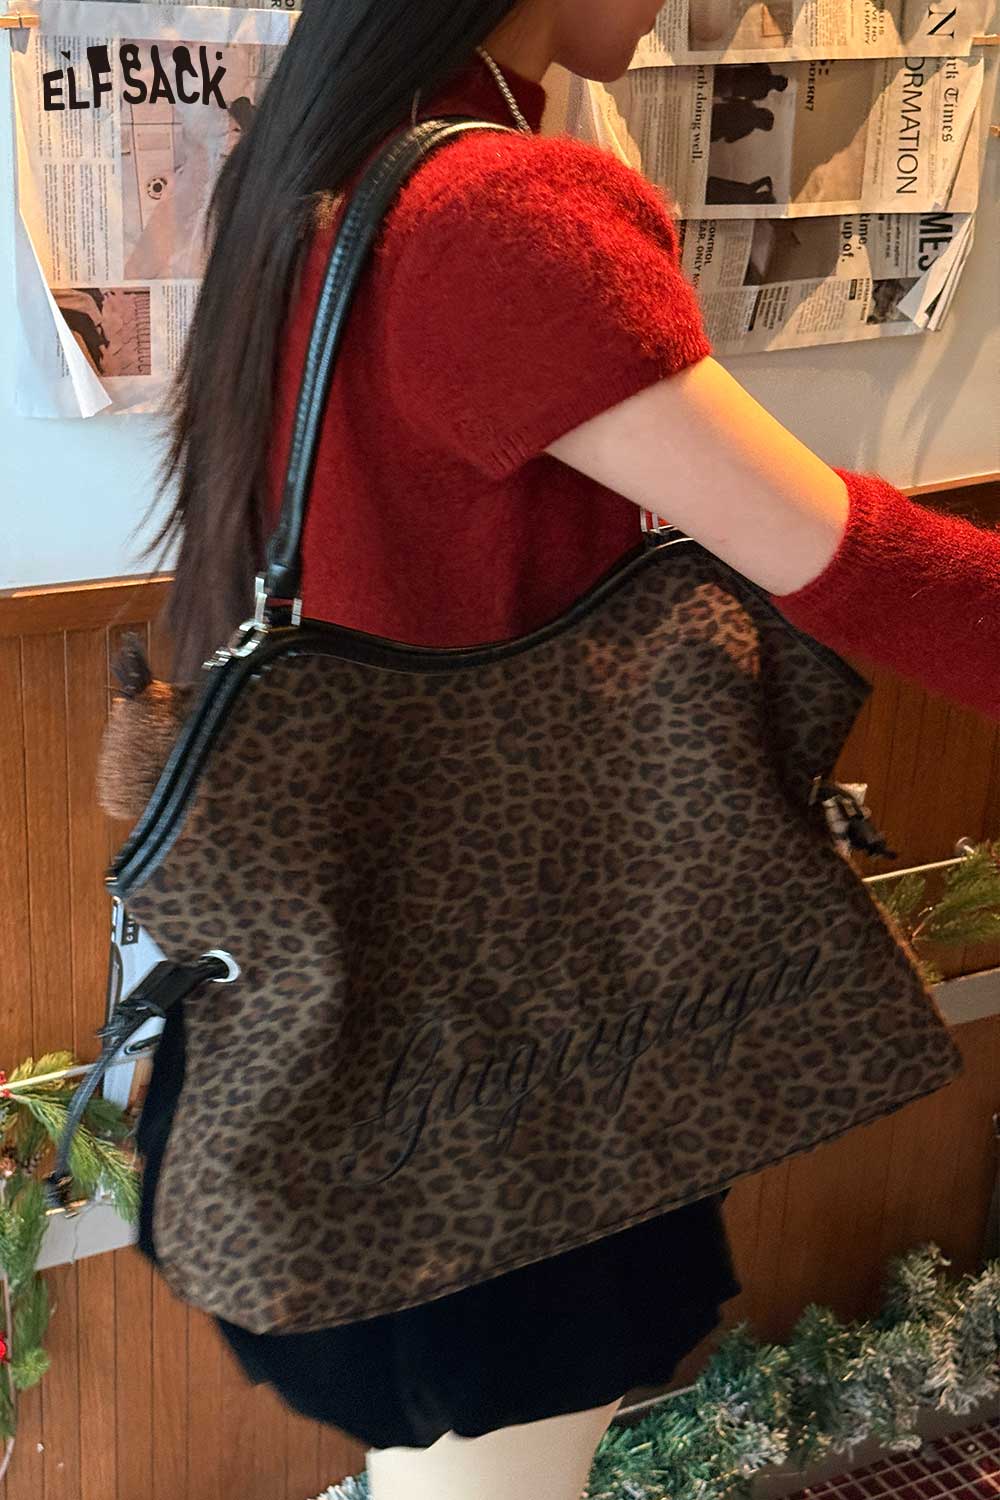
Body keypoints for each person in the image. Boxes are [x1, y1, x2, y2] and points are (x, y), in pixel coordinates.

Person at [131, 1, 1000, 1496]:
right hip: (509, 1071)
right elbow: (839, 559)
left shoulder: (330, 156)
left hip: (365, 1017)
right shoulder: (497, 209)